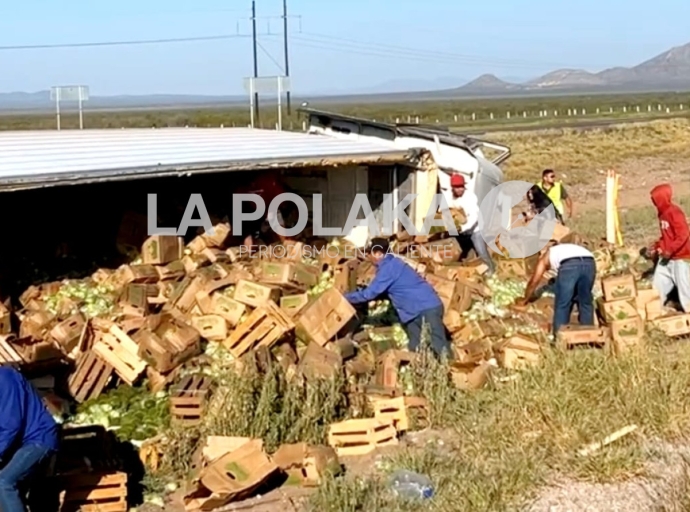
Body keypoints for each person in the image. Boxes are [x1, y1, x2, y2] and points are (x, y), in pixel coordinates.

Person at [344, 238, 452, 358]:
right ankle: (423, 372)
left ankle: (453, 372)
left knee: (439, 346)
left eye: (369, 253)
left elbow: (369, 294)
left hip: (426, 309)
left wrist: (345, 298)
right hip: (413, 313)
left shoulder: (389, 268)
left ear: (378, 253)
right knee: (416, 349)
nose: (368, 256)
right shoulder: (393, 263)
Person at [0, 365, 59, 512]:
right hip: (17, 442)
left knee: (4, 482)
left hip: (39, 438)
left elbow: (10, 425)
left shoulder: (5, 379)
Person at [516, 240, 596, 335]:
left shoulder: (545, 257)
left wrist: (525, 299)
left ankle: (559, 338)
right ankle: (589, 336)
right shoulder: (564, 249)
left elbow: (534, 281)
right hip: (590, 262)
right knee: (585, 302)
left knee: (563, 304)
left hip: (570, 264)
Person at [648, 183, 690, 312]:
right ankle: (653, 311)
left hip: (680, 257)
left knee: (685, 290)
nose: (654, 203)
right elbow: (666, 236)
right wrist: (657, 246)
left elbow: (683, 235)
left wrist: (669, 250)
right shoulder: (661, 214)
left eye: (655, 199)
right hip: (667, 257)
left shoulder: (675, 213)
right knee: (657, 286)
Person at [447, 173, 496, 275]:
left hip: (475, 229)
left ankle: (491, 269)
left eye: (461, 187)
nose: (460, 189)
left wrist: (463, 228)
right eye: (457, 187)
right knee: (462, 251)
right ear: (452, 188)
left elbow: (474, 217)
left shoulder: (470, 197)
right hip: (461, 231)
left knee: (481, 251)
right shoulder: (451, 198)